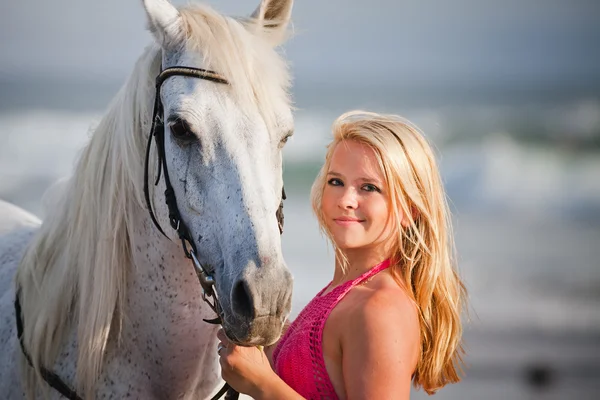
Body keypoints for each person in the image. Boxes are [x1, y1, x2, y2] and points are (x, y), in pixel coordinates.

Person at [216, 110, 467, 399]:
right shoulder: (342, 292)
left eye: (369, 188)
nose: (346, 200)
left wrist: (260, 383)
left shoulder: (378, 310)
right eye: (336, 181)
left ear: (408, 210)